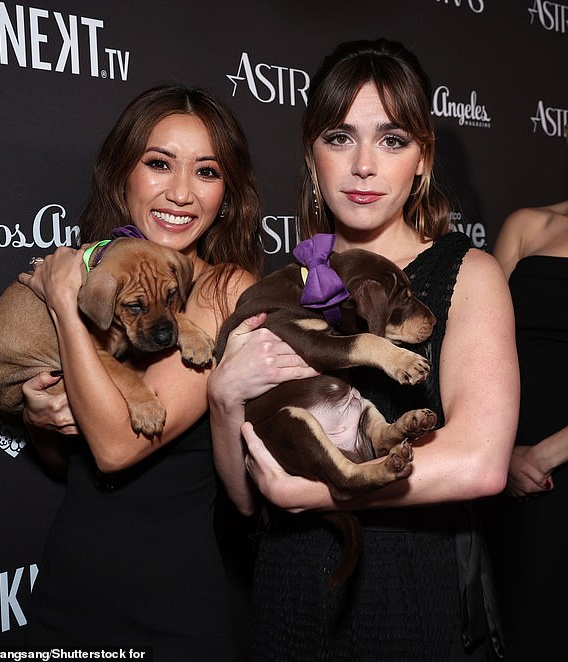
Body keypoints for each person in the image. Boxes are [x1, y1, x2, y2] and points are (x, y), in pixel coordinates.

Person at [208, 38, 519, 661]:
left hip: (412, 592)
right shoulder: (293, 284)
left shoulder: (467, 273)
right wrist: (222, 399)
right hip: (291, 590)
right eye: (341, 137)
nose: (364, 167)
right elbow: (246, 497)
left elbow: (482, 462)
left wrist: (321, 490)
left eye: (393, 140)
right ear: (311, 154)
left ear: (423, 157)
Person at [17, 85, 263, 661]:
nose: (180, 193)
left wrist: (64, 305)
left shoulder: (224, 290)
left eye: (206, 172)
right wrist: (39, 414)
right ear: (122, 175)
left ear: (226, 194)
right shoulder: (102, 275)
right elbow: (62, 461)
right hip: (67, 591)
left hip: (169, 606)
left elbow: (117, 446)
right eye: (158, 164)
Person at [479, 123, 568, 661]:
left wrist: (545, 454)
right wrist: (502, 456)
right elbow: (482, 350)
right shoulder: (528, 226)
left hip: (549, 466)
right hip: (507, 473)